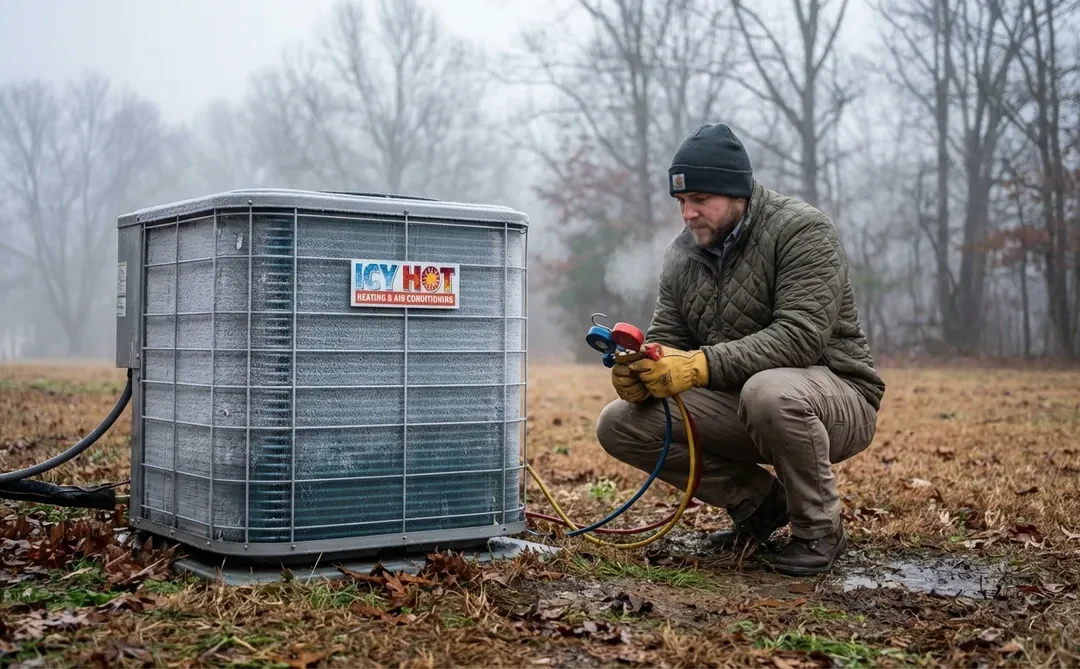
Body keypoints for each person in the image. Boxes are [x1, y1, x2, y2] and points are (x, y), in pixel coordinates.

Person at [595, 123, 886, 576]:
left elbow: (801, 336)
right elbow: (669, 340)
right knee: (619, 423)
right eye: (680, 202)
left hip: (835, 398)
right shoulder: (682, 254)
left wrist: (698, 365)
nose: (687, 214)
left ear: (737, 195)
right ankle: (760, 505)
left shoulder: (801, 231)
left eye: (700, 200)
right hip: (743, 399)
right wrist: (642, 374)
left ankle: (819, 530)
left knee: (769, 392)